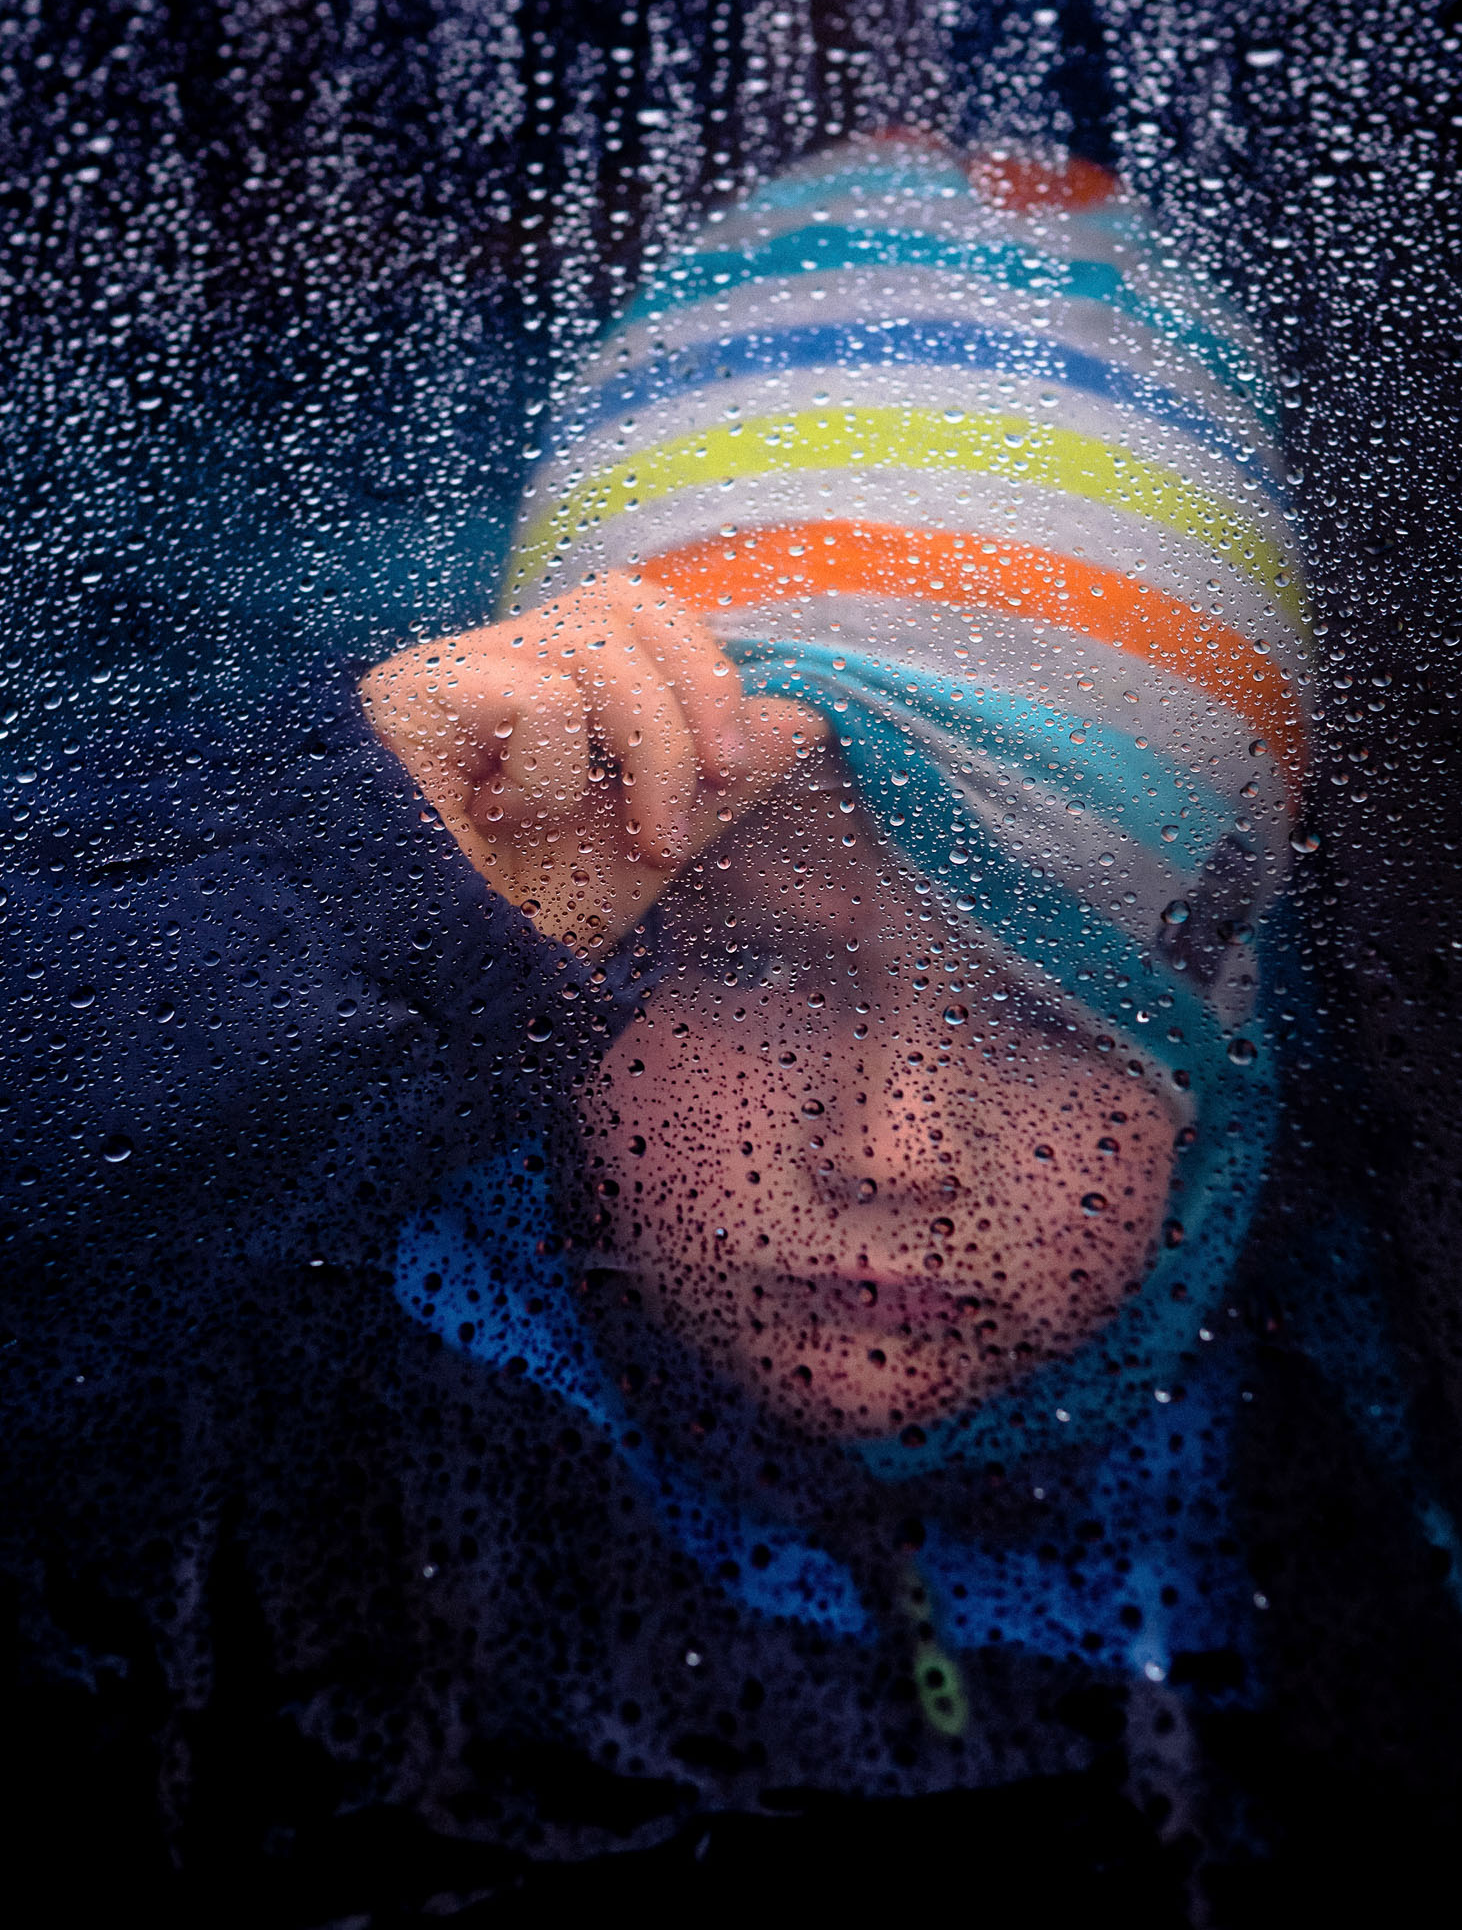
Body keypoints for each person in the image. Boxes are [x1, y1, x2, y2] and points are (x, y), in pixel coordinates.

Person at [363, 134, 1324, 1785]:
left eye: (1052, 1007)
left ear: (1216, 1050)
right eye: (763, 970)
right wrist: (346, 888)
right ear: (556, 928)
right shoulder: (297, 1362)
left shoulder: (1336, 1482)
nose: (891, 1151)